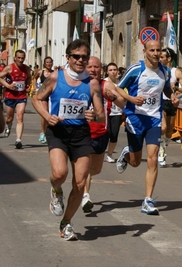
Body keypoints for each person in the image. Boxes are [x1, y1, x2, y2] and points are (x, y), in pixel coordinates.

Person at [31, 39, 105, 241]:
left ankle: (66, 223)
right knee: (59, 173)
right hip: (58, 131)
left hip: (81, 134)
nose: (80, 60)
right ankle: (56, 191)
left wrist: (94, 116)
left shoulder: (92, 83)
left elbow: (101, 115)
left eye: (84, 57)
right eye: (76, 56)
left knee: (80, 183)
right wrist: (47, 117)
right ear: (68, 57)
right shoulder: (56, 77)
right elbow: (36, 98)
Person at [114, 40, 176, 215]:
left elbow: (166, 89)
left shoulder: (165, 71)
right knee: (135, 162)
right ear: (145, 52)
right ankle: (127, 155)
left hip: (153, 119)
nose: (156, 53)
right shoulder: (136, 69)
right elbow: (118, 88)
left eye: (158, 50)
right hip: (135, 117)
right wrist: (132, 99)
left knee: (153, 158)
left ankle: (147, 200)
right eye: (152, 50)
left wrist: (173, 97)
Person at [82, 57, 124, 213]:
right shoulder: (80, 84)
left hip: (101, 132)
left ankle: (84, 186)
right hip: (83, 133)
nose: (93, 70)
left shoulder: (106, 84)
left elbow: (121, 103)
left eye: (96, 67)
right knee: (84, 168)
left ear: (102, 70)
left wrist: (111, 96)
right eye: (90, 66)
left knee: (95, 169)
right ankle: (85, 195)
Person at [158, 48, 182, 167]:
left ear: (169, 59)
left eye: (162, 57)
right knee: (163, 127)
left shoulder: (176, 72)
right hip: (160, 101)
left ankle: (163, 147)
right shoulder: (158, 70)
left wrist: (175, 88)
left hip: (172, 102)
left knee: (170, 130)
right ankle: (160, 151)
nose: (159, 59)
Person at [0, 50, 32, 149]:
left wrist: (27, 86)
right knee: (9, 118)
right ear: (15, 58)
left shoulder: (26, 69)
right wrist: (8, 86)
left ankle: (18, 140)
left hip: (21, 96)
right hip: (10, 96)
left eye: (22, 58)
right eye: (19, 58)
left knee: (20, 116)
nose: (20, 60)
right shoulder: (9, 68)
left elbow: (29, 78)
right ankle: (8, 126)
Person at [105, 62, 124, 163]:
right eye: (110, 70)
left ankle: (109, 154)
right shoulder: (103, 82)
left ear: (117, 71)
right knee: (105, 133)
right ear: (107, 72)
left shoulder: (121, 83)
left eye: (114, 70)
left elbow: (125, 97)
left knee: (114, 134)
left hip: (116, 112)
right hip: (105, 112)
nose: (113, 72)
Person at [34, 56, 54, 144]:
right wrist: (35, 87)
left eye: (50, 62)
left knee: (50, 113)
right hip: (43, 95)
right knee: (44, 113)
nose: (49, 64)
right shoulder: (40, 72)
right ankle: (43, 132)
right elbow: (34, 78)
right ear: (44, 64)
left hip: (52, 96)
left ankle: (48, 132)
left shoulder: (55, 73)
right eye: (47, 62)